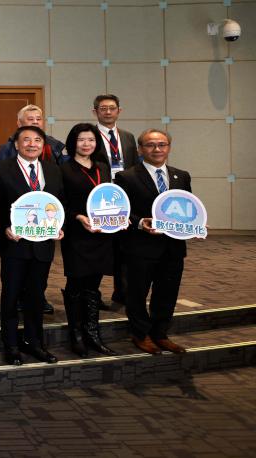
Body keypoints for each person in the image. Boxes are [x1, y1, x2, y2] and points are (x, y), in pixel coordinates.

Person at [115, 129, 192, 355]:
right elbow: (122, 212)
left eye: (162, 144)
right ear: (140, 149)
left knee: (167, 293)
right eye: (150, 145)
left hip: (173, 247)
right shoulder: (127, 177)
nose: (157, 149)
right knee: (137, 293)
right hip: (141, 247)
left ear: (169, 148)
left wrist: (195, 223)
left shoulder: (182, 176)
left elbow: (188, 207)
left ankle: (160, 334)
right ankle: (140, 334)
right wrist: (140, 223)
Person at [0, 125, 64, 366]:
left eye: (37, 140)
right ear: (16, 144)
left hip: (43, 243)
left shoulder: (53, 170)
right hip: (15, 243)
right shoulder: (2, 168)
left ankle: (35, 342)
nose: (32, 144)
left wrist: (59, 225)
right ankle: (11, 344)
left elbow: (59, 203)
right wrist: (4, 227)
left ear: (43, 145)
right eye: (26, 140)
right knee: (11, 295)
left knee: (36, 295)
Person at [58, 123, 118, 358]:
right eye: (81, 139)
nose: (86, 144)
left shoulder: (102, 167)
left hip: (101, 234)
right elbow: (60, 203)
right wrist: (78, 217)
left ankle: (93, 333)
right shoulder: (63, 169)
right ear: (73, 142)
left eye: (91, 140)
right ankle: (76, 335)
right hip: (77, 233)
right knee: (76, 283)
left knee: (93, 285)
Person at [92, 94, 139, 308]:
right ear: (95, 112)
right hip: (99, 197)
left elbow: (134, 166)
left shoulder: (128, 137)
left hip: (124, 198)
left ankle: (123, 293)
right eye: (103, 108)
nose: (108, 112)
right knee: (99, 249)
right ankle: (93, 295)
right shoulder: (89, 135)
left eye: (112, 108)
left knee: (125, 247)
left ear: (119, 111)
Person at [0, 105, 67, 164]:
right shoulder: (8, 148)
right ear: (19, 123)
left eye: (38, 119)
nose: (35, 122)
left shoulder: (53, 144)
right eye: (30, 119)